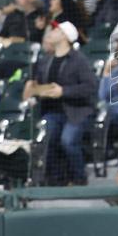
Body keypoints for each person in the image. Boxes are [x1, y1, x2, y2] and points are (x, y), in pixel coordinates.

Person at [24, 21, 97, 186]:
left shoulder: (79, 60)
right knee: (48, 141)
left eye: (56, 30)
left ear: (65, 36)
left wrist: (64, 91)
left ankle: (79, 178)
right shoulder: (45, 60)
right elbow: (42, 85)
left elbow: (90, 87)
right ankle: (56, 180)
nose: (51, 32)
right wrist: (35, 94)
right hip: (52, 111)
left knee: (68, 141)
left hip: (76, 111)